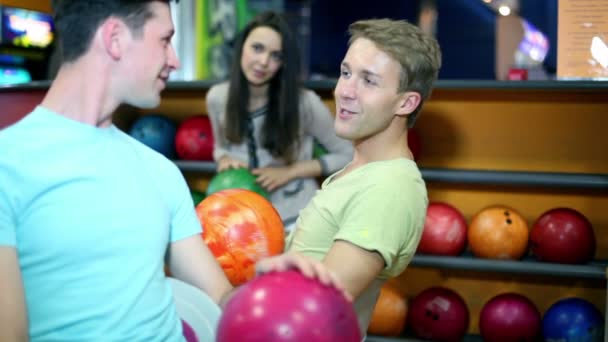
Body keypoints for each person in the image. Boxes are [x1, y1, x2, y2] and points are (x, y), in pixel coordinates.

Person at [0, 1, 346, 341]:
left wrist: (269, 289)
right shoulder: (9, 164)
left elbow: (221, 296)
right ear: (115, 38)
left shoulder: (160, 171)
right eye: (165, 40)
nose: (175, 60)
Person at [285, 18, 442, 337]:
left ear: (406, 102)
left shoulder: (388, 188)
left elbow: (318, 305)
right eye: (346, 73)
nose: (345, 91)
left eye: (368, 81)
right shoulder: (363, 170)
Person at [206, 11, 353, 231]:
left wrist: (290, 171)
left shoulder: (305, 103)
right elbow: (219, 147)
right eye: (257, 48)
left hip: (296, 219)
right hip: (241, 222)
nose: (264, 62)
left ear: (284, 63)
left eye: (276, 56)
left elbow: (348, 154)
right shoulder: (217, 98)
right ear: (241, 48)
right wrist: (224, 158)